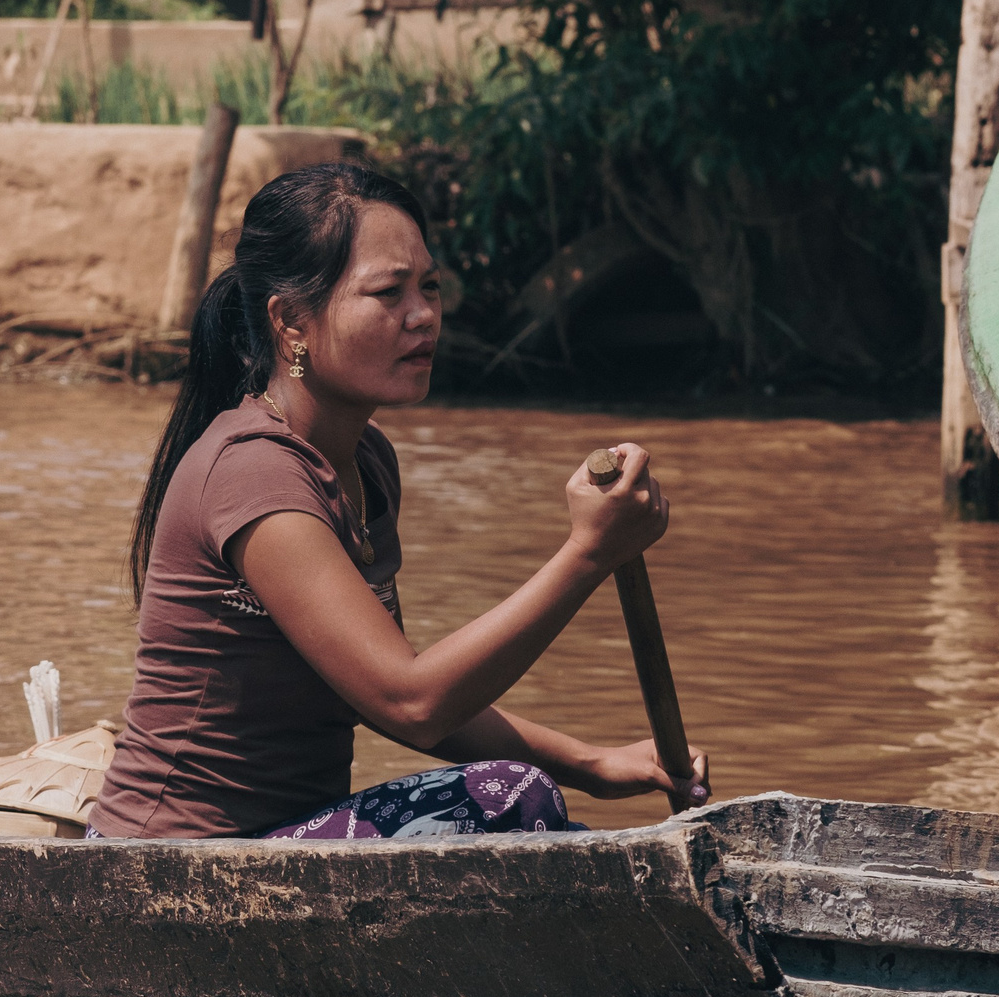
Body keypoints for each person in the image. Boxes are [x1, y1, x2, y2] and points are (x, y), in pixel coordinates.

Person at [91, 163, 709, 840]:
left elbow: (395, 695)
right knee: (515, 799)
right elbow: (412, 700)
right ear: (291, 324)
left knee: (546, 817)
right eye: (388, 292)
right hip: (178, 858)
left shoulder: (368, 461)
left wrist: (591, 762)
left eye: (431, 287)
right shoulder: (254, 473)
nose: (423, 316)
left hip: (281, 843)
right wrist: (589, 553)